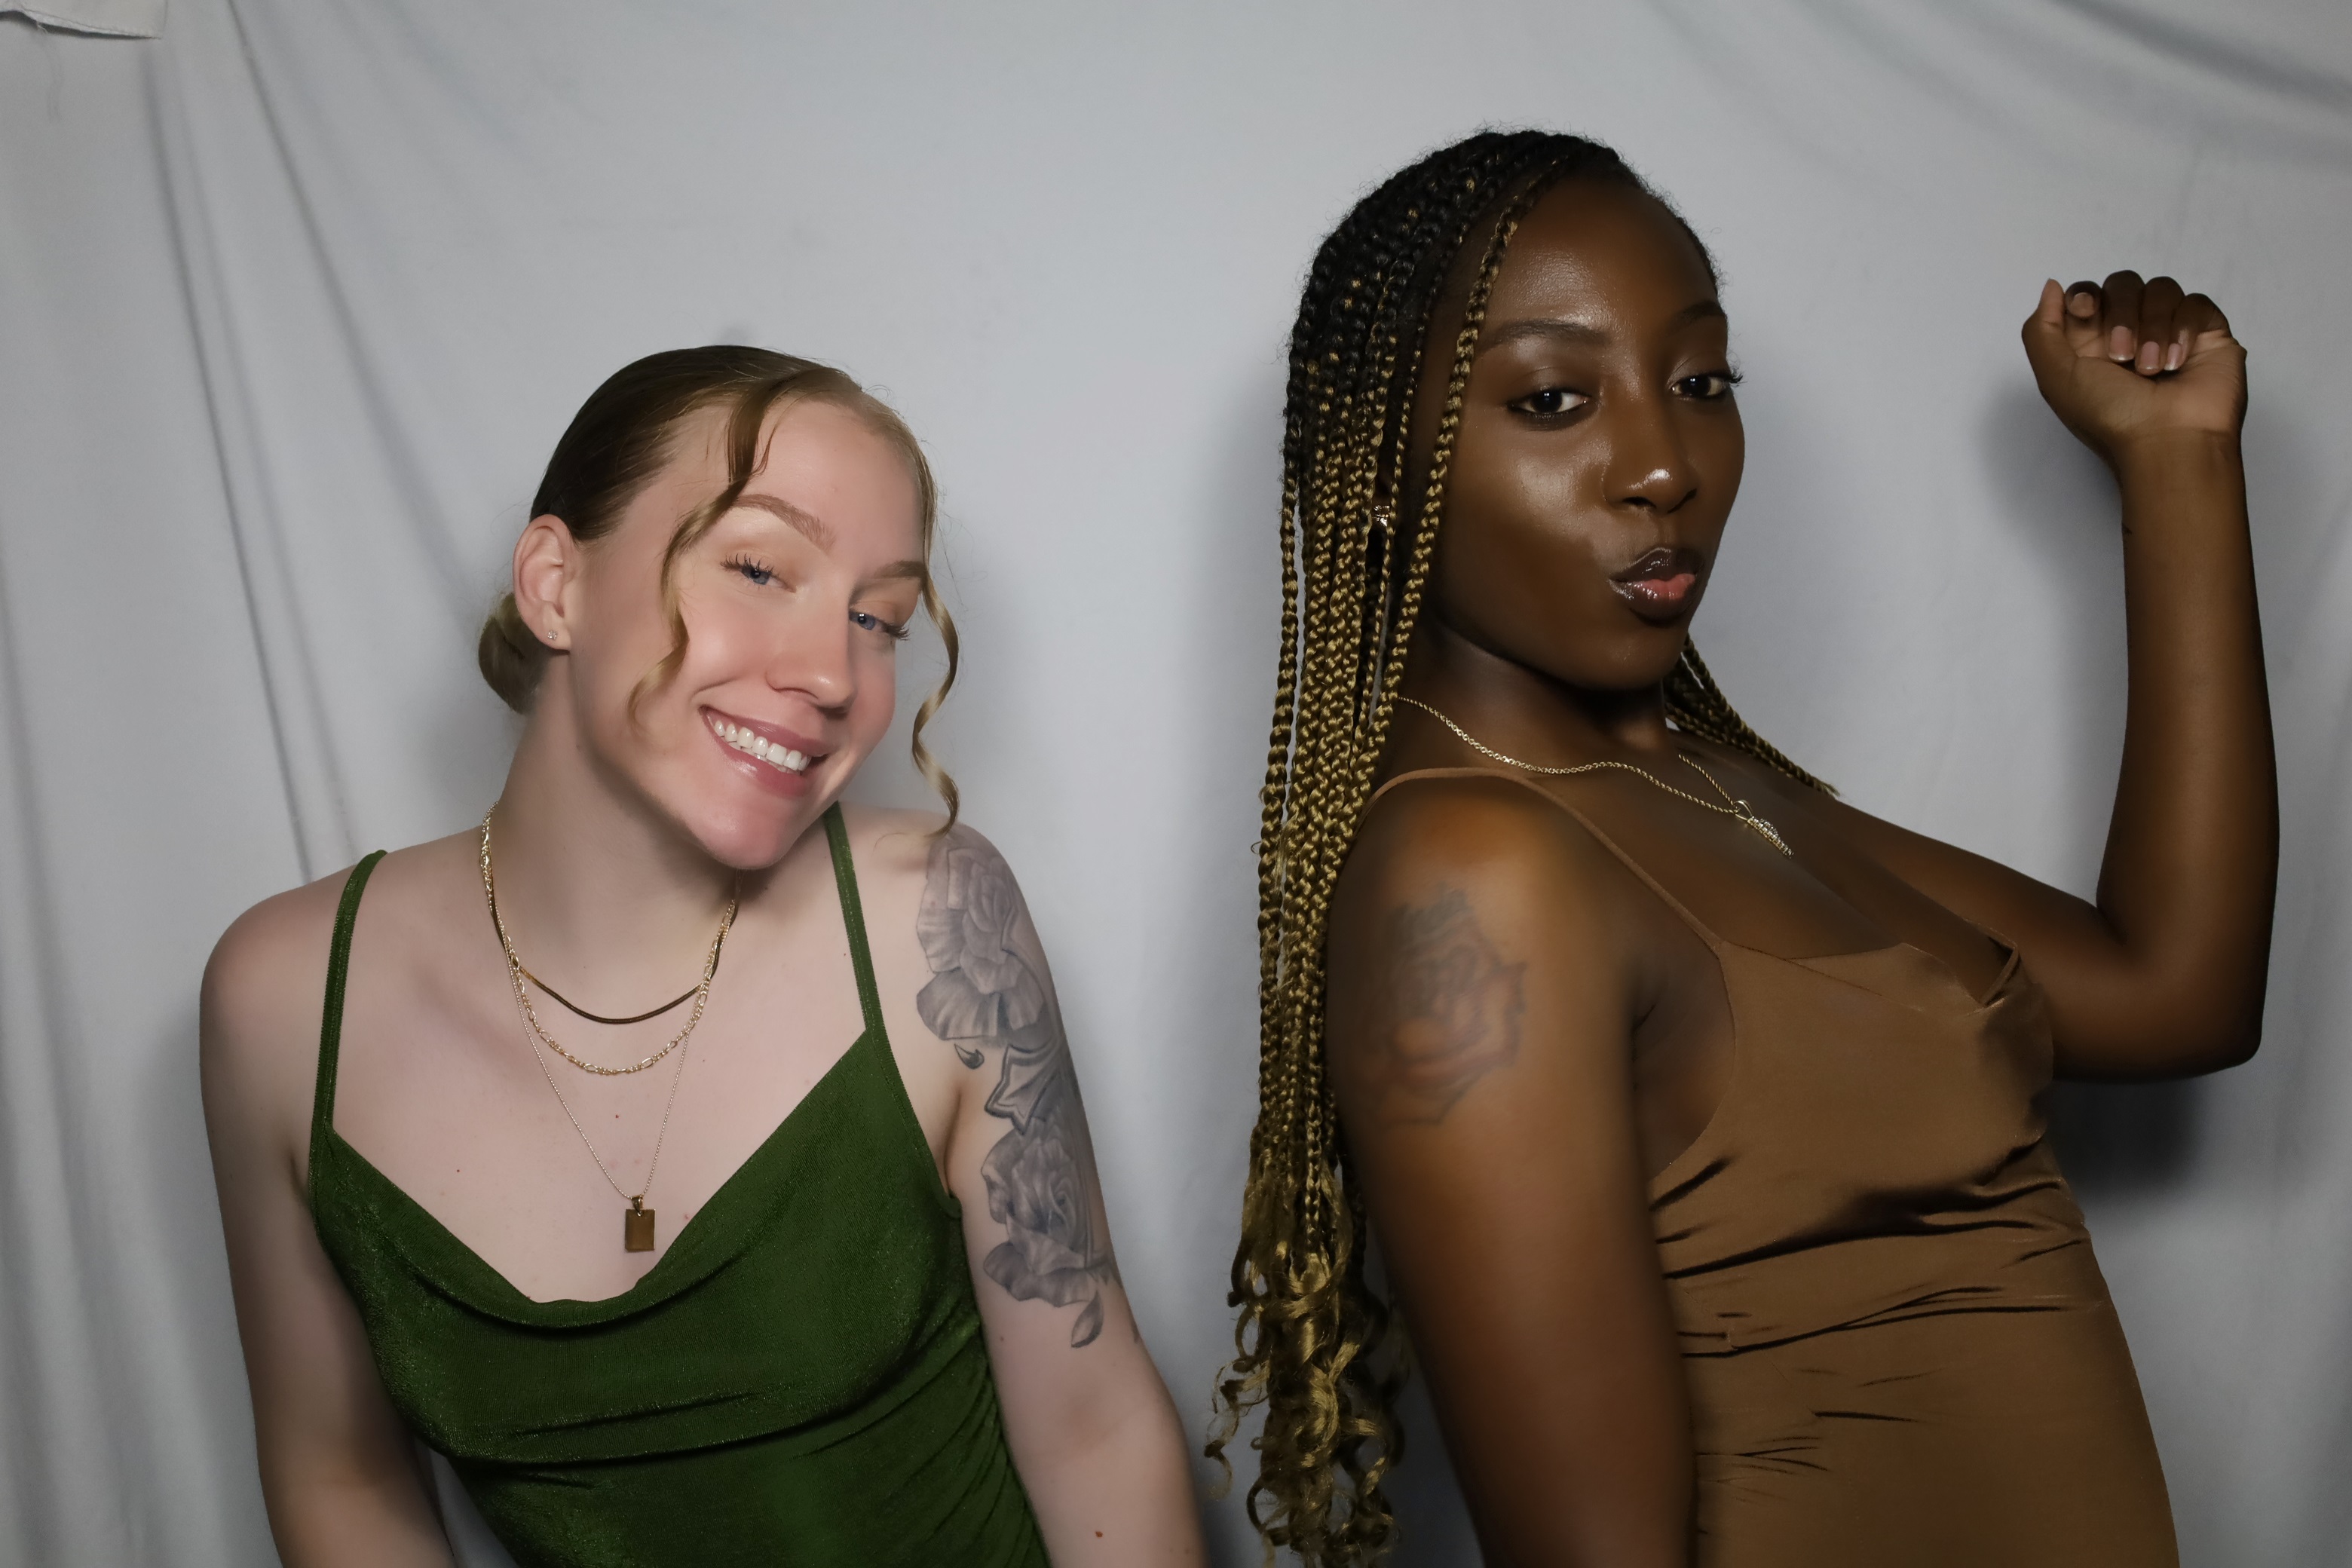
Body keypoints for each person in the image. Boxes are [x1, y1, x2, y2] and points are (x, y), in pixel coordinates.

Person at [1212, 131, 2271, 1567]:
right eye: (1553, 398)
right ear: (1381, 467)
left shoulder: (1706, 787)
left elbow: (2178, 992)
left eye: (1702, 383)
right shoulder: (1473, 873)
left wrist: (2181, 459)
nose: (1664, 465)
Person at [201, 347, 1205, 1566]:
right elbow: (340, 1482)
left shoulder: (937, 920)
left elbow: (1095, 1430)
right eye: (759, 569)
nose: (832, 675)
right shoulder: (284, 1001)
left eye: (879, 620)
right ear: (556, 585)